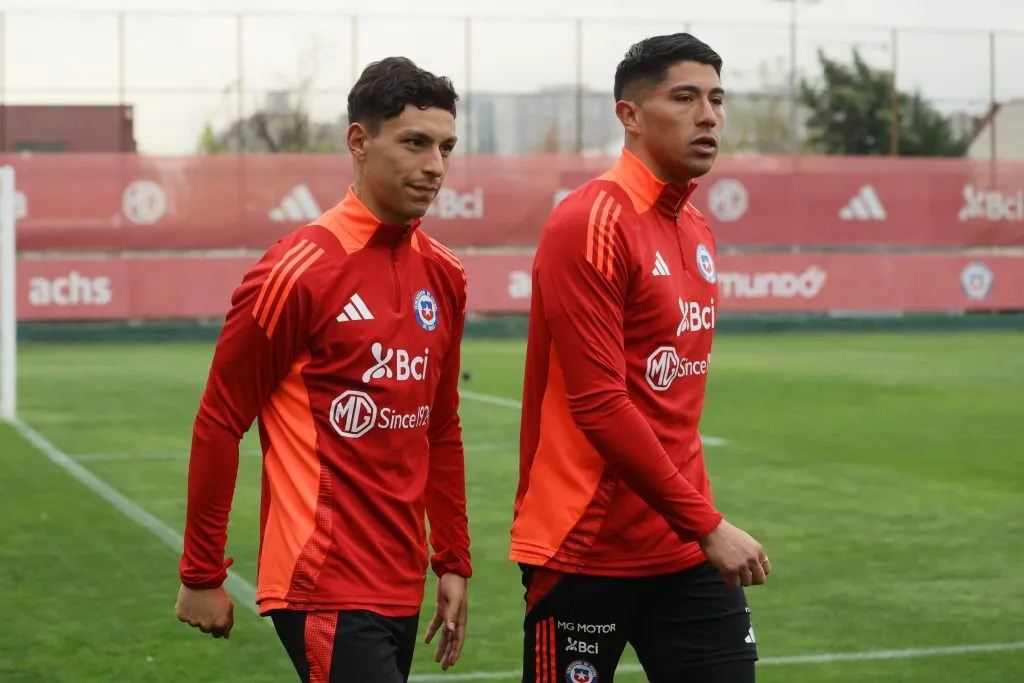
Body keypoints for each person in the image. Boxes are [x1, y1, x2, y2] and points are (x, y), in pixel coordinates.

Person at [175, 56, 473, 683]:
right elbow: (220, 421)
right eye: (415, 143)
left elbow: (440, 428)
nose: (436, 166)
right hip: (323, 581)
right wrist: (202, 574)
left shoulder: (444, 273)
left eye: (446, 147)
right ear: (359, 142)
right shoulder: (298, 269)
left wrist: (451, 558)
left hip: (401, 579)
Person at [510, 33, 770, 683]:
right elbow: (600, 404)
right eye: (684, 97)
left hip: (681, 552)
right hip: (585, 552)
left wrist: (693, 525)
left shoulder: (697, 227)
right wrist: (708, 524)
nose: (708, 115)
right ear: (629, 115)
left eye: (716, 99)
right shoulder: (591, 220)